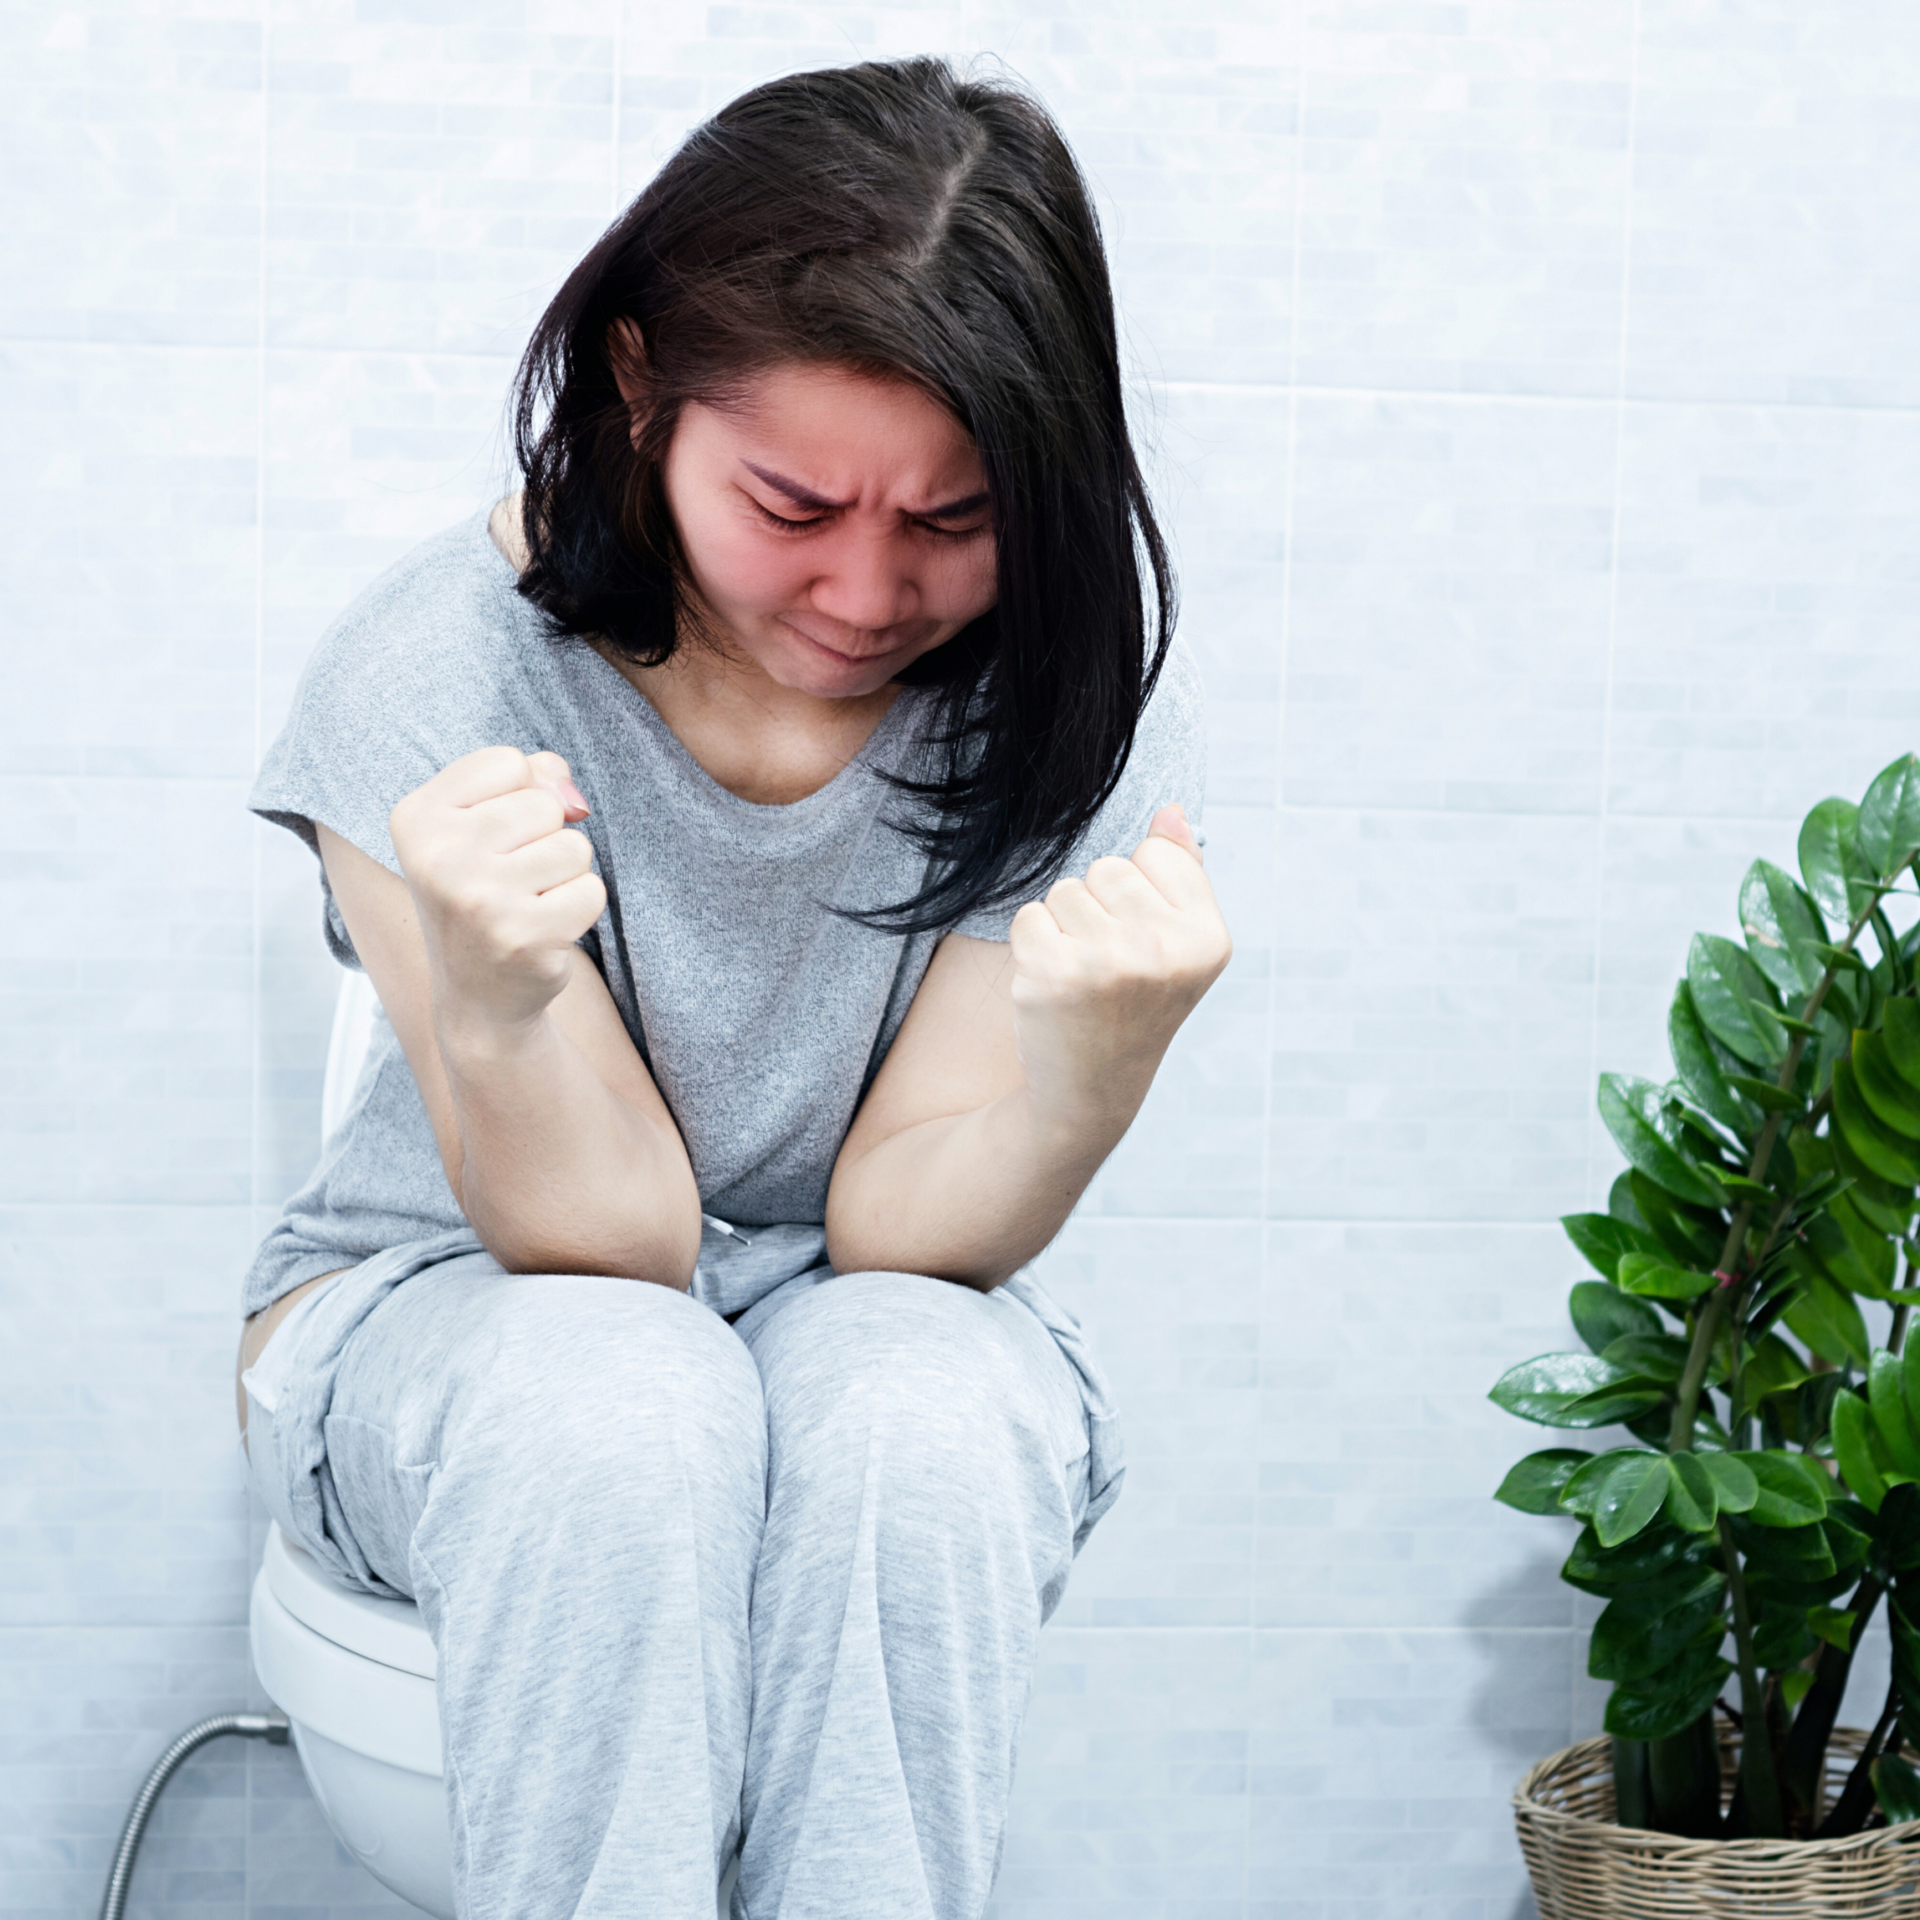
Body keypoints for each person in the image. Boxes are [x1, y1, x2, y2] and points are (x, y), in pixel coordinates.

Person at [234, 55, 1230, 1920]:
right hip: (457, 1303)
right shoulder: (432, 672)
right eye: (792, 503)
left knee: (925, 1415)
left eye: (953, 521)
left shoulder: (1062, 697)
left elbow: (899, 1225)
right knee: (622, 1408)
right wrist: (502, 997)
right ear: (640, 385)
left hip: (844, 1298)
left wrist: (1092, 1076)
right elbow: (608, 1242)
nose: (865, 591)